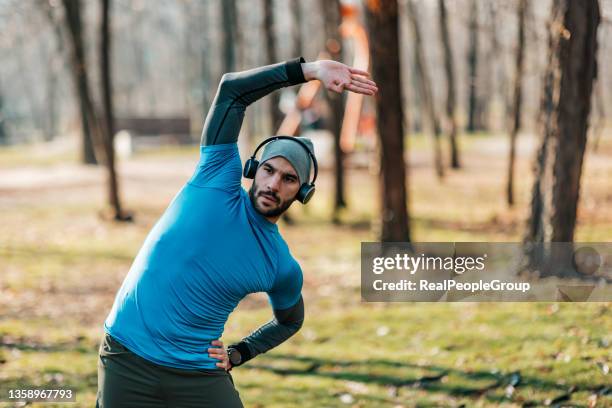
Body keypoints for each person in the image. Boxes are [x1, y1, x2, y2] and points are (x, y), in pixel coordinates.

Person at [96, 57, 378, 407]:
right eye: (269, 170)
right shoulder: (215, 178)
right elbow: (232, 90)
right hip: (127, 357)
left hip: (198, 373)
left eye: (289, 179)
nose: (273, 184)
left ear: (303, 193)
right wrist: (312, 70)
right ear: (253, 168)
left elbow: (290, 321)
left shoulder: (280, 265)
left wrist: (240, 352)